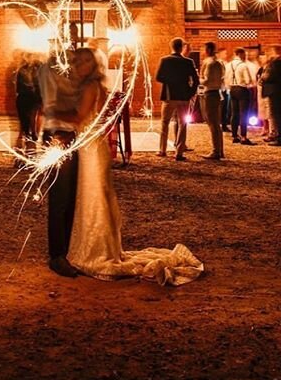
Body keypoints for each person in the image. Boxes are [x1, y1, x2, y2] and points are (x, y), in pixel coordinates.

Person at [59, 48, 203, 286]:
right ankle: (101, 246)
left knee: (95, 197)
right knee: (96, 197)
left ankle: (97, 251)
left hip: (90, 147)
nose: (80, 66)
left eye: (85, 62)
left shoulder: (89, 87)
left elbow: (79, 117)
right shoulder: (97, 85)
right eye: (78, 62)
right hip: (93, 143)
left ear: (91, 64)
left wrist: (51, 111)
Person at [37, 46, 80, 278]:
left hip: (70, 134)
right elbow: (51, 105)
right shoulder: (50, 69)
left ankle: (66, 249)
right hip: (58, 134)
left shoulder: (64, 70)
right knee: (60, 197)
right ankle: (57, 255)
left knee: (70, 196)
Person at [155, 37, 199, 161]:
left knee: (165, 123)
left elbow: (159, 77)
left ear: (171, 46)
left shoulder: (165, 60)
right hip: (184, 97)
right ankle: (179, 152)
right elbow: (196, 80)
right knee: (182, 124)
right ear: (182, 47)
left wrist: (170, 81)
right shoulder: (188, 62)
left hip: (169, 96)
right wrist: (190, 92)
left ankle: (162, 150)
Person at [199, 41, 225, 160]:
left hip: (210, 93)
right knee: (216, 123)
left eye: (204, 49)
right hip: (216, 92)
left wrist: (198, 79)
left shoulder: (210, 63)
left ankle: (216, 151)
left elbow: (207, 80)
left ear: (208, 50)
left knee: (212, 123)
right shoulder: (219, 63)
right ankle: (220, 149)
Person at [226, 47, 255, 145]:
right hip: (242, 90)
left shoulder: (228, 65)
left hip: (232, 89)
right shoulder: (243, 65)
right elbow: (248, 80)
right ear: (240, 54)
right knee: (244, 114)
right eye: (244, 54)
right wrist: (250, 84)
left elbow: (225, 79)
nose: (245, 56)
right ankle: (243, 136)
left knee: (234, 113)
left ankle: (234, 136)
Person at [262, 44, 281, 146]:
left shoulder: (278, 63)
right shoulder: (274, 63)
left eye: (270, 51)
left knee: (278, 115)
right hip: (274, 91)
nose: (268, 53)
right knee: (276, 115)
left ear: (275, 52)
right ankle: (279, 135)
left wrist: (264, 78)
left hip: (275, 91)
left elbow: (272, 76)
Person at [14, 53, 42, 154]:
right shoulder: (22, 70)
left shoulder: (38, 68)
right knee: (26, 120)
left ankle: (31, 137)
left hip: (32, 97)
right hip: (25, 97)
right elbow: (19, 86)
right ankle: (28, 136)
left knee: (31, 118)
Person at [256, 54, 273, 138]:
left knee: (268, 110)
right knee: (262, 110)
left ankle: (271, 130)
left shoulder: (269, 68)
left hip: (267, 91)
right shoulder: (260, 69)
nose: (261, 60)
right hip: (260, 91)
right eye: (260, 58)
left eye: (263, 58)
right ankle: (265, 128)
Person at [217, 48, 231, 132]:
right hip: (220, 87)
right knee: (221, 107)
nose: (226, 55)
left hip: (225, 87)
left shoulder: (226, 63)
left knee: (225, 107)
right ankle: (221, 124)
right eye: (224, 53)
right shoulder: (218, 63)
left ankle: (224, 123)